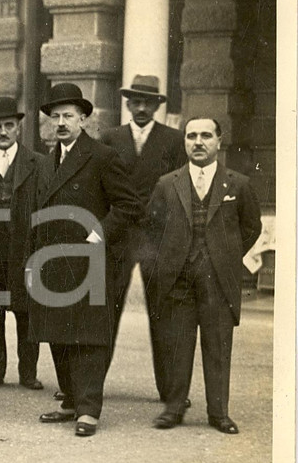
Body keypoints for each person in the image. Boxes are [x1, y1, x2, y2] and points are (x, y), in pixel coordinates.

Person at [29, 83, 141, 437]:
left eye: (68, 116)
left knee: (88, 336)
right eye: (55, 117)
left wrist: (98, 234)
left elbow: (129, 206)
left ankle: (88, 409)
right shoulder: (47, 162)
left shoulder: (102, 157)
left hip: (89, 261)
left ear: (83, 119)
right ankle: (70, 401)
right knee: (58, 334)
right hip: (52, 263)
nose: (61, 123)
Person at [144, 118, 261, 433]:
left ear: (219, 142)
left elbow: (251, 227)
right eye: (191, 136)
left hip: (217, 280)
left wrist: (225, 256)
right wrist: (168, 261)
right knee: (176, 346)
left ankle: (218, 413)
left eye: (206, 136)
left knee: (218, 346)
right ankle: (173, 408)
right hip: (178, 280)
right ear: (184, 141)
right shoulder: (167, 184)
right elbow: (152, 227)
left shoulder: (238, 184)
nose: (198, 142)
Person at [100, 74, 187, 402]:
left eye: (147, 103)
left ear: (156, 106)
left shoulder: (174, 140)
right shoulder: (110, 138)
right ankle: (90, 385)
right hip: (119, 236)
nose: (140, 108)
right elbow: (101, 187)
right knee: (106, 311)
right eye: (135, 101)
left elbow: (181, 190)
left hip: (156, 238)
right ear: (127, 104)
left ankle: (171, 391)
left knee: (163, 314)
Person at [0, 97, 44, 390]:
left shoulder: (37, 163)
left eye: (8, 125)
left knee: (26, 312)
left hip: (25, 249)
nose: (3, 132)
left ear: (18, 128)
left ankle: (28, 372)